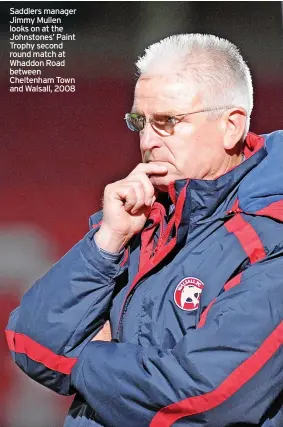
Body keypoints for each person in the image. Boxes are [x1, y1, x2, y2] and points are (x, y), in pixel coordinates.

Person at [5, 33, 283, 427]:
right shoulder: (139, 214)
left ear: (231, 126)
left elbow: (208, 398)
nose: (148, 140)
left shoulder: (272, 232)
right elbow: (31, 342)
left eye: (167, 122)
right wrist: (108, 241)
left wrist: (79, 358)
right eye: (140, 121)